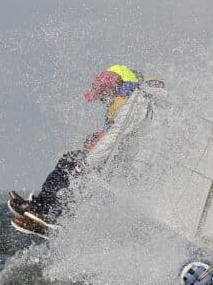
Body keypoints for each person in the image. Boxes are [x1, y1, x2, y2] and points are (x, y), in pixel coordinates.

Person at [9, 64, 162, 232]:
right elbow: (116, 136)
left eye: (104, 95)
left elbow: (112, 139)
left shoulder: (137, 102)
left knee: (74, 166)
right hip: (125, 162)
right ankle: (43, 208)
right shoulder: (134, 103)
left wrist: (86, 162)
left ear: (116, 89)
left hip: (131, 169)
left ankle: (48, 212)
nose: (104, 100)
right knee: (72, 162)